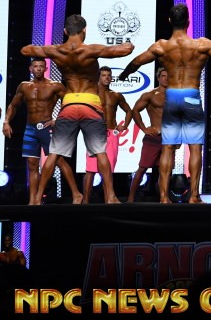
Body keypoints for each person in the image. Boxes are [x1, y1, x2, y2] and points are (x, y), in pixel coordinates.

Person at [119, 3, 211, 204]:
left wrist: (124, 75)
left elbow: (136, 62)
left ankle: (163, 197)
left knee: (168, 147)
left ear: (170, 21)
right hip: (191, 95)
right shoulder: (201, 44)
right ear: (188, 21)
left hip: (171, 97)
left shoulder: (161, 46)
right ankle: (194, 196)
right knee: (194, 147)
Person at [24, 14, 134, 205]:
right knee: (100, 152)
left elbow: (25, 50)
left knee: (54, 153)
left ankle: (37, 198)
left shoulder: (56, 50)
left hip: (68, 104)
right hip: (90, 103)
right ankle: (110, 196)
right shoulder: (90, 50)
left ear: (65, 31)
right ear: (84, 31)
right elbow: (124, 50)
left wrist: (48, 50)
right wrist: (129, 44)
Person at [2, 58, 83, 204]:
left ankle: (76, 194)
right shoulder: (24, 86)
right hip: (30, 129)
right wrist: (6, 121)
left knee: (59, 160)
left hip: (47, 128)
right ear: (31, 69)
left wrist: (58, 119)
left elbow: (70, 103)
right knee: (32, 164)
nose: (38, 69)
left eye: (41, 66)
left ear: (45, 69)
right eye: (36, 66)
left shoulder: (55, 85)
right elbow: (13, 105)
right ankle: (33, 200)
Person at [81, 66, 133, 204]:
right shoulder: (91, 94)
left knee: (108, 170)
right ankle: (85, 202)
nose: (107, 78)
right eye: (104, 75)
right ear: (98, 77)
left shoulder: (115, 95)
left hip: (111, 133)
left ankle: (108, 201)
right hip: (95, 133)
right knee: (90, 170)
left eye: (109, 75)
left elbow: (129, 111)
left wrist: (124, 125)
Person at [126, 67, 168, 203]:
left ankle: (164, 198)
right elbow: (135, 110)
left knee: (165, 170)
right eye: (163, 76)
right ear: (158, 78)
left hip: (169, 138)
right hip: (153, 137)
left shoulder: (175, 96)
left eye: (168, 76)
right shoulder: (150, 95)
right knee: (142, 168)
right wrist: (144, 129)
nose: (166, 78)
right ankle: (131, 198)